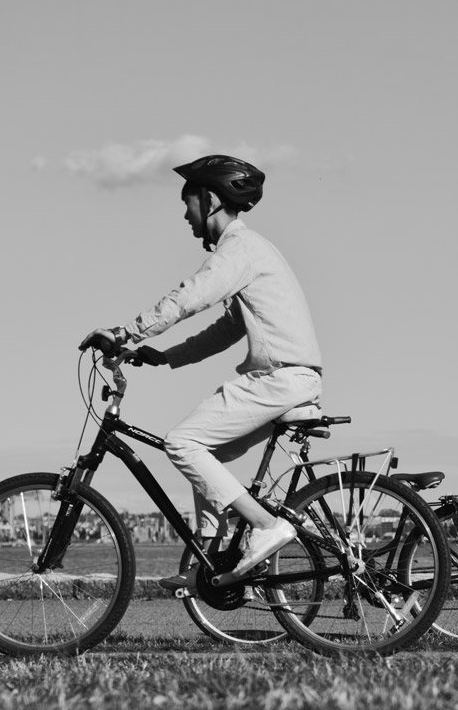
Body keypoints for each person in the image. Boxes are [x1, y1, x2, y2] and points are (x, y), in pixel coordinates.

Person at [78, 154, 323, 588]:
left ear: (209, 199)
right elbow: (227, 328)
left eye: (187, 202)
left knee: (182, 443)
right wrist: (167, 356)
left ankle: (265, 527)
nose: (185, 214)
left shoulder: (239, 248)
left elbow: (190, 297)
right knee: (204, 455)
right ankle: (216, 559)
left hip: (278, 379)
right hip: (290, 379)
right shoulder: (252, 252)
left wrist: (124, 332)